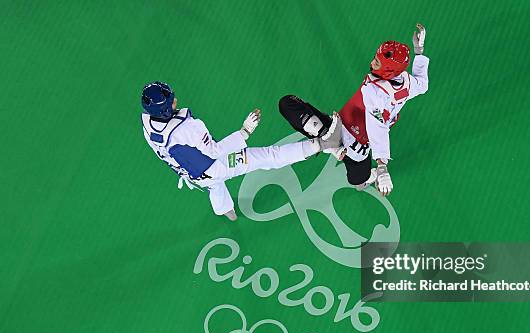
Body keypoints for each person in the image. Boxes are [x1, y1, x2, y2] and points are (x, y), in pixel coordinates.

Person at [140, 82, 341, 220]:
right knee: (268, 156)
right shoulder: (189, 128)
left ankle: (224, 210)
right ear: (165, 109)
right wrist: (244, 132)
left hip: (191, 173)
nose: (175, 100)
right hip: (215, 167)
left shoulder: (149, 127)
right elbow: (214, 152)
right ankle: (323, 144)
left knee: (214, 186)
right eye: (171, 100)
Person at [279, 23, 429, 197]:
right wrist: (419, 51)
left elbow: (377, 128)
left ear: (388, 70)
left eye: (377, 61)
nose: (372, 62)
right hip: (338, 127)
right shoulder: (406, 82)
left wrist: (381, 165)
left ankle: (334, 146)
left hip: (356, 147)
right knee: (287, 103)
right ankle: (331, 143)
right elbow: (423, 84)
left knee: (358, 182)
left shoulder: (373, 92)